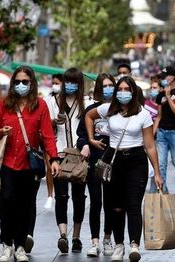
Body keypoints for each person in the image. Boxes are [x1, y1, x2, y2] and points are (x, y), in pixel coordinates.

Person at [85, 76, 163, 262]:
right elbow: (88, 115)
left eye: (126, 89)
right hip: (114, 160)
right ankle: (119, 245)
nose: (122, 93)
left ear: (133, 91)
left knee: (133, 205)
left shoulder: (143, 113)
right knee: (116, 207)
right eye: (119, 89)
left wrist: (157, 173)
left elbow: (150, 145)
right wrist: (91, 138)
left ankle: (134, 245)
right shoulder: (108, 109)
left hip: (136, 161)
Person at [0, 65, 60, 262]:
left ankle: (20, 246)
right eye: (17, 81)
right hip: (7, 164)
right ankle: (6, 245)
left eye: (25, 82)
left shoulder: (40, 105)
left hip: (29, 165)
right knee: (6, 202)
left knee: (25, 205)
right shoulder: (4, 104)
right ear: (13, 83)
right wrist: (1, 131)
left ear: (32, 83)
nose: (21, 85)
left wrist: (53, 159)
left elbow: (47, 135)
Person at [46, 67, 89, 254]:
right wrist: (54, 123)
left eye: (74, 82)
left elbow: (90, 128)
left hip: (80, 157)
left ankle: (76, 237)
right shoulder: (53, 102)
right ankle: (63, 235)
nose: (70, 85)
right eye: (67, 81)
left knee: (79, 198)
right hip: (60, 155)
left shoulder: (86, 103)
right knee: (61, 196)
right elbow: (45, 130)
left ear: (79, 84)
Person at [76, 73, 115, 257]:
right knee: (96, 202)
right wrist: (87, 144)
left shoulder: (119, 110)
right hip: (94, 162)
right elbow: (81, 134)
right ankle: (94, 241)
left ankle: (107, 239)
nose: (108, 89)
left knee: (110, 202)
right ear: (99, 88)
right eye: (104, 85)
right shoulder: (91, 110)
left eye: (110, 85)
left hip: (114, 163)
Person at [151, 66, 175, 203]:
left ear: (172, 77)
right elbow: (159, 116)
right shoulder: (160, 95)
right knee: (161, 163)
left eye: (164, 76)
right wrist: (153, 132)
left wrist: (168, 96)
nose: (162, 79)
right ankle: (163, 191)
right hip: (162, 132)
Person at [42, 73, 63, 209]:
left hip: (63, 139)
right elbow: (43, 120)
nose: (55, 86)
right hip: (49, 136)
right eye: (54, 83)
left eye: (58, 83)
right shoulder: (47, 100)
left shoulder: (69, 101)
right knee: (50, 167)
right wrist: (52, 121)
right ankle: (50, 195)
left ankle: (61, 194)